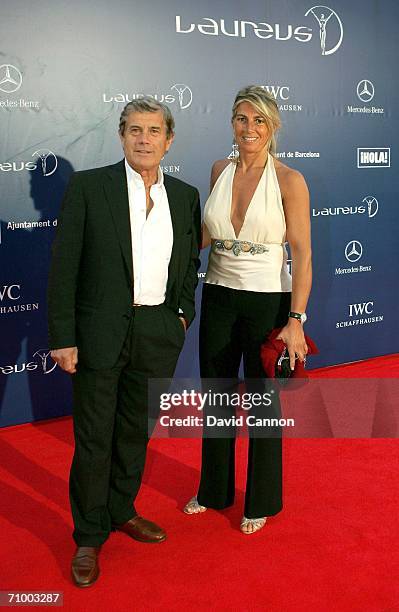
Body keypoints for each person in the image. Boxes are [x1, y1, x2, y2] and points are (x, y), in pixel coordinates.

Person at [48, 97, 201, 586]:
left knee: (135, 431)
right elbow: (64, 267)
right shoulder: (91, 187)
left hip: (157, 331)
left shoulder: (185, 194)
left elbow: (188, 266)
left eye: (154, 131)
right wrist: (64, 337)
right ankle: (89, 537)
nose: (143, 139)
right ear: (121, 135)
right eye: (134, 130)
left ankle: (121, 509)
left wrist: (181, 315)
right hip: (99, 333)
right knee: (94, 439)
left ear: (168, 139)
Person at [184, 85, 312, 534]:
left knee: (262, 404)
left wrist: (294, 322)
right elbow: (203, 236)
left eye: (258, 120)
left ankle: (261, 500)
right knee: (216, 397)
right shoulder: (219, 169)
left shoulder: (291, 180)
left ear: (273, 126)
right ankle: (214, 489)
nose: (249, 127)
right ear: (232, 124)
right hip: (217, 294)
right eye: (241, 118)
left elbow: (303, 255)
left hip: (267, 302)